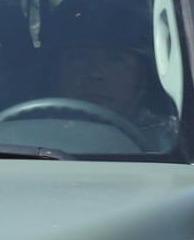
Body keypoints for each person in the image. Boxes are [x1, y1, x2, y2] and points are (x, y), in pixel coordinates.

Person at [48, 34, 181, 152]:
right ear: (56, 73)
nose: (95, 73)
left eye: (115, 59)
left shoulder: (169, 143)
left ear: (142, 77)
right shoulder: (32, 136)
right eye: (79, 58)